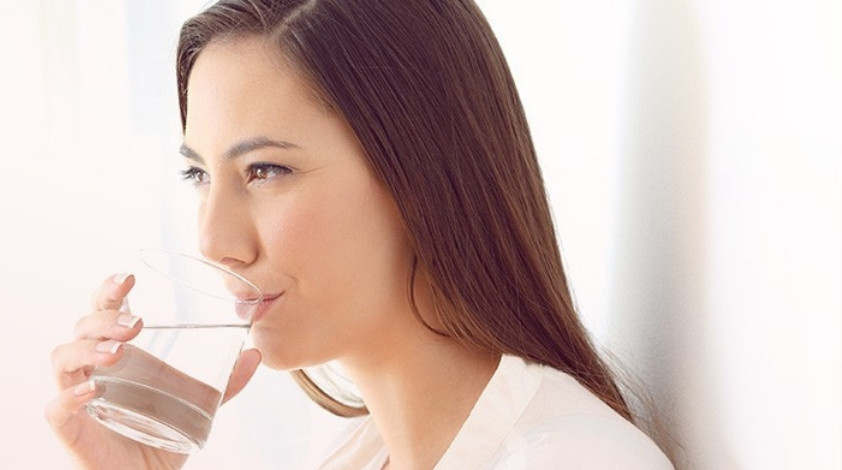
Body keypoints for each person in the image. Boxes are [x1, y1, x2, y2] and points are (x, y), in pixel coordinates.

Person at [46, 0, 675, 468]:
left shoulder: (566, 460)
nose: (213, 242)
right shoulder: (363, 454)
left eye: (266, 170)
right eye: (199, 173)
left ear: (422, 176)